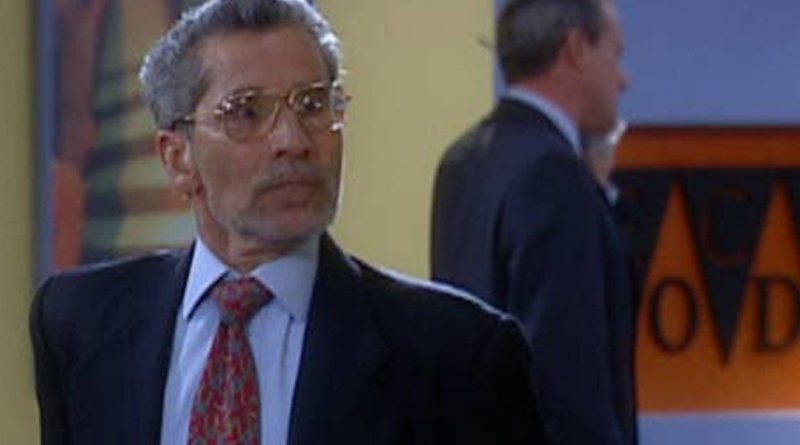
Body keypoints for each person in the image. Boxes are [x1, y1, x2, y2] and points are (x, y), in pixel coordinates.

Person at [30, 1, 543, 444]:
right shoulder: (79, 323)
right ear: (178, 157)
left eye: (313, 105)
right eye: (247, 112)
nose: (293, 141)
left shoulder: (457, 353)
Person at [431, 0, 637, 443]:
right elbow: (567, 387)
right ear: (576, 47)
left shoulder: (461, 161)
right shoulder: (554, 173)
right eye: (616, 54)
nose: (624, 80)